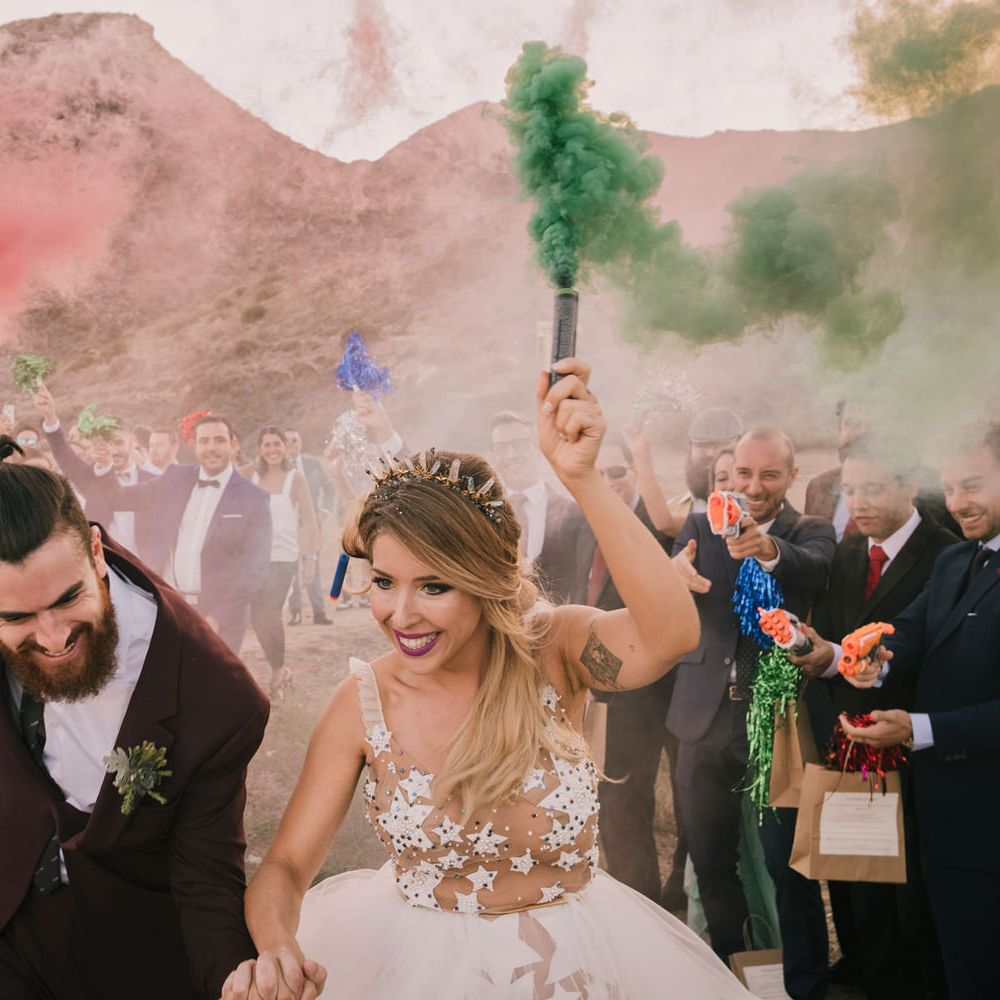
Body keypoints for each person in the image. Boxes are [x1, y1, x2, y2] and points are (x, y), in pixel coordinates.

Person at [221, 359, 753, 1000]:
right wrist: (278, 946)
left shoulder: (557, 650)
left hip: (577, 965)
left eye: (434, 586)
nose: (401, 615)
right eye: (385, 582)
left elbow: (672, 634)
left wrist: (582, 479)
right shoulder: (364, 702)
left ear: (485, 580)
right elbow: (283, 865)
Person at [0, 436, 269, 1000]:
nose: (52, 637)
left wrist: (232, 976)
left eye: (68, 599)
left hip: (126, 955)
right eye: (17, 618)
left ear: (96, 552)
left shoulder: (218, 700)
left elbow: (206, 875)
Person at [668, 428, 835, 994]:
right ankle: (733, 975)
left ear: (792, 476)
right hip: (702, 718)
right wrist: (673, 574)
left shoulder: (811, 529)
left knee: (787, 866)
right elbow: (671, 575)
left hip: (774, 724)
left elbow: (813, 567)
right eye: (744, 473)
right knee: (711, 863)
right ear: (730, 472)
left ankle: (805, 987)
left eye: (769, 475)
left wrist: (766, 548)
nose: (755, 486)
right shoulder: (700, 525)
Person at [790, 435, 957, 999]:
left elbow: (929, 647)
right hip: (846, 736)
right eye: (850, 490)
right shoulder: (848, 552)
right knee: (849, 870)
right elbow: (838, 641)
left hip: (910, 742)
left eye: (873, 489)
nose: (857, 502)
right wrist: (818, 652)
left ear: (910, 486)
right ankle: (862, 968)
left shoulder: (946, 554)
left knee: (906, 887)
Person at [838, 420, 1000, 1000]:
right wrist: (871, 662)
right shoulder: (957, 559)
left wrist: (919, 729)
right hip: (944, 823)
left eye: (973, 485)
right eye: (950, 488)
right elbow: (907, 633)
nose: (957, 504)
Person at [38, 391, 272, 655]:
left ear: (233, 444)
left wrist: (218, 616)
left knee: (216, 681)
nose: (211, 448)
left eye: (219, 440)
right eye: (204, 441)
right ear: (195, 445)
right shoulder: (176, 478)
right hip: (172, 604)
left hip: (220, 616)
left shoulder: (254, 498)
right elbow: (119, 498)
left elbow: (254, 568)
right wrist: (104, 465)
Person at [578, 434, 686, 911]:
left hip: (671, 693)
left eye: (617, 472)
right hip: (608, 694)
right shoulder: (584, 524)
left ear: (636, 471)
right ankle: (639, 908)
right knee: (619, 802)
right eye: (598, 473)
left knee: (688, 806)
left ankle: (683, 895)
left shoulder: (665, 527)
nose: (608, 482)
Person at [241, 426, 319, 699]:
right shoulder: (249, 474)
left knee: (270, 613)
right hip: (254, 557)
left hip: (284, 557)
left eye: (277, 444)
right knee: (257, 616)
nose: (272, 450)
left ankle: (278, 671)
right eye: (267, 445)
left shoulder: (295, 479)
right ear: (260, 448)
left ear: (285, 447)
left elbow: (310, 520)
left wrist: (310, 558)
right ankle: (280, 668)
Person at [489, 409, 588, 604]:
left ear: (538, 449)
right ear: (493, 455)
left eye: (520, 445)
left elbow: (581, 583)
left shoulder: (574, 513)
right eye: (501, 447)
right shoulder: (481, 513)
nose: (511, 455)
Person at [284, 429, 335, 626]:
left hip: (310, 524)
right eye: (287, 441)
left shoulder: (312, 464)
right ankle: (295, 611)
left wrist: (324, 511)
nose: (291, 444)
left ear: (301, 443)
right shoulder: (277, 467)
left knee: (313, 566)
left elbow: (329, 488)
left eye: (294, 440)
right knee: (290, 569)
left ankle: (319, 612)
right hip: (287, 525)